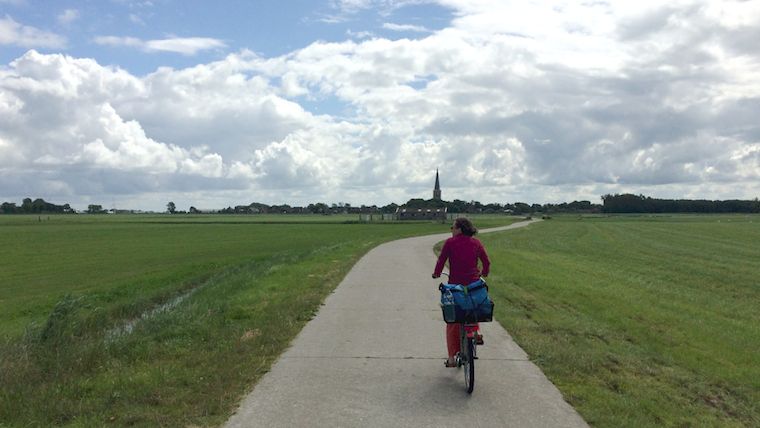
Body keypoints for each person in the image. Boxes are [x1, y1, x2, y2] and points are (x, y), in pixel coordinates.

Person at [432, 217, 491, 367]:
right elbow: (486, 261)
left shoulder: (450, 243)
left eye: (453, 227)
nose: (451, 230)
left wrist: (437, 273)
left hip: (455, 285)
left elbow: (441, 260)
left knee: (452, 319)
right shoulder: (476, 243)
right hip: (474, 284)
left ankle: (451, 358)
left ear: (459, 229)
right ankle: (476, 332)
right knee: (474, 305)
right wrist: (484, 272)